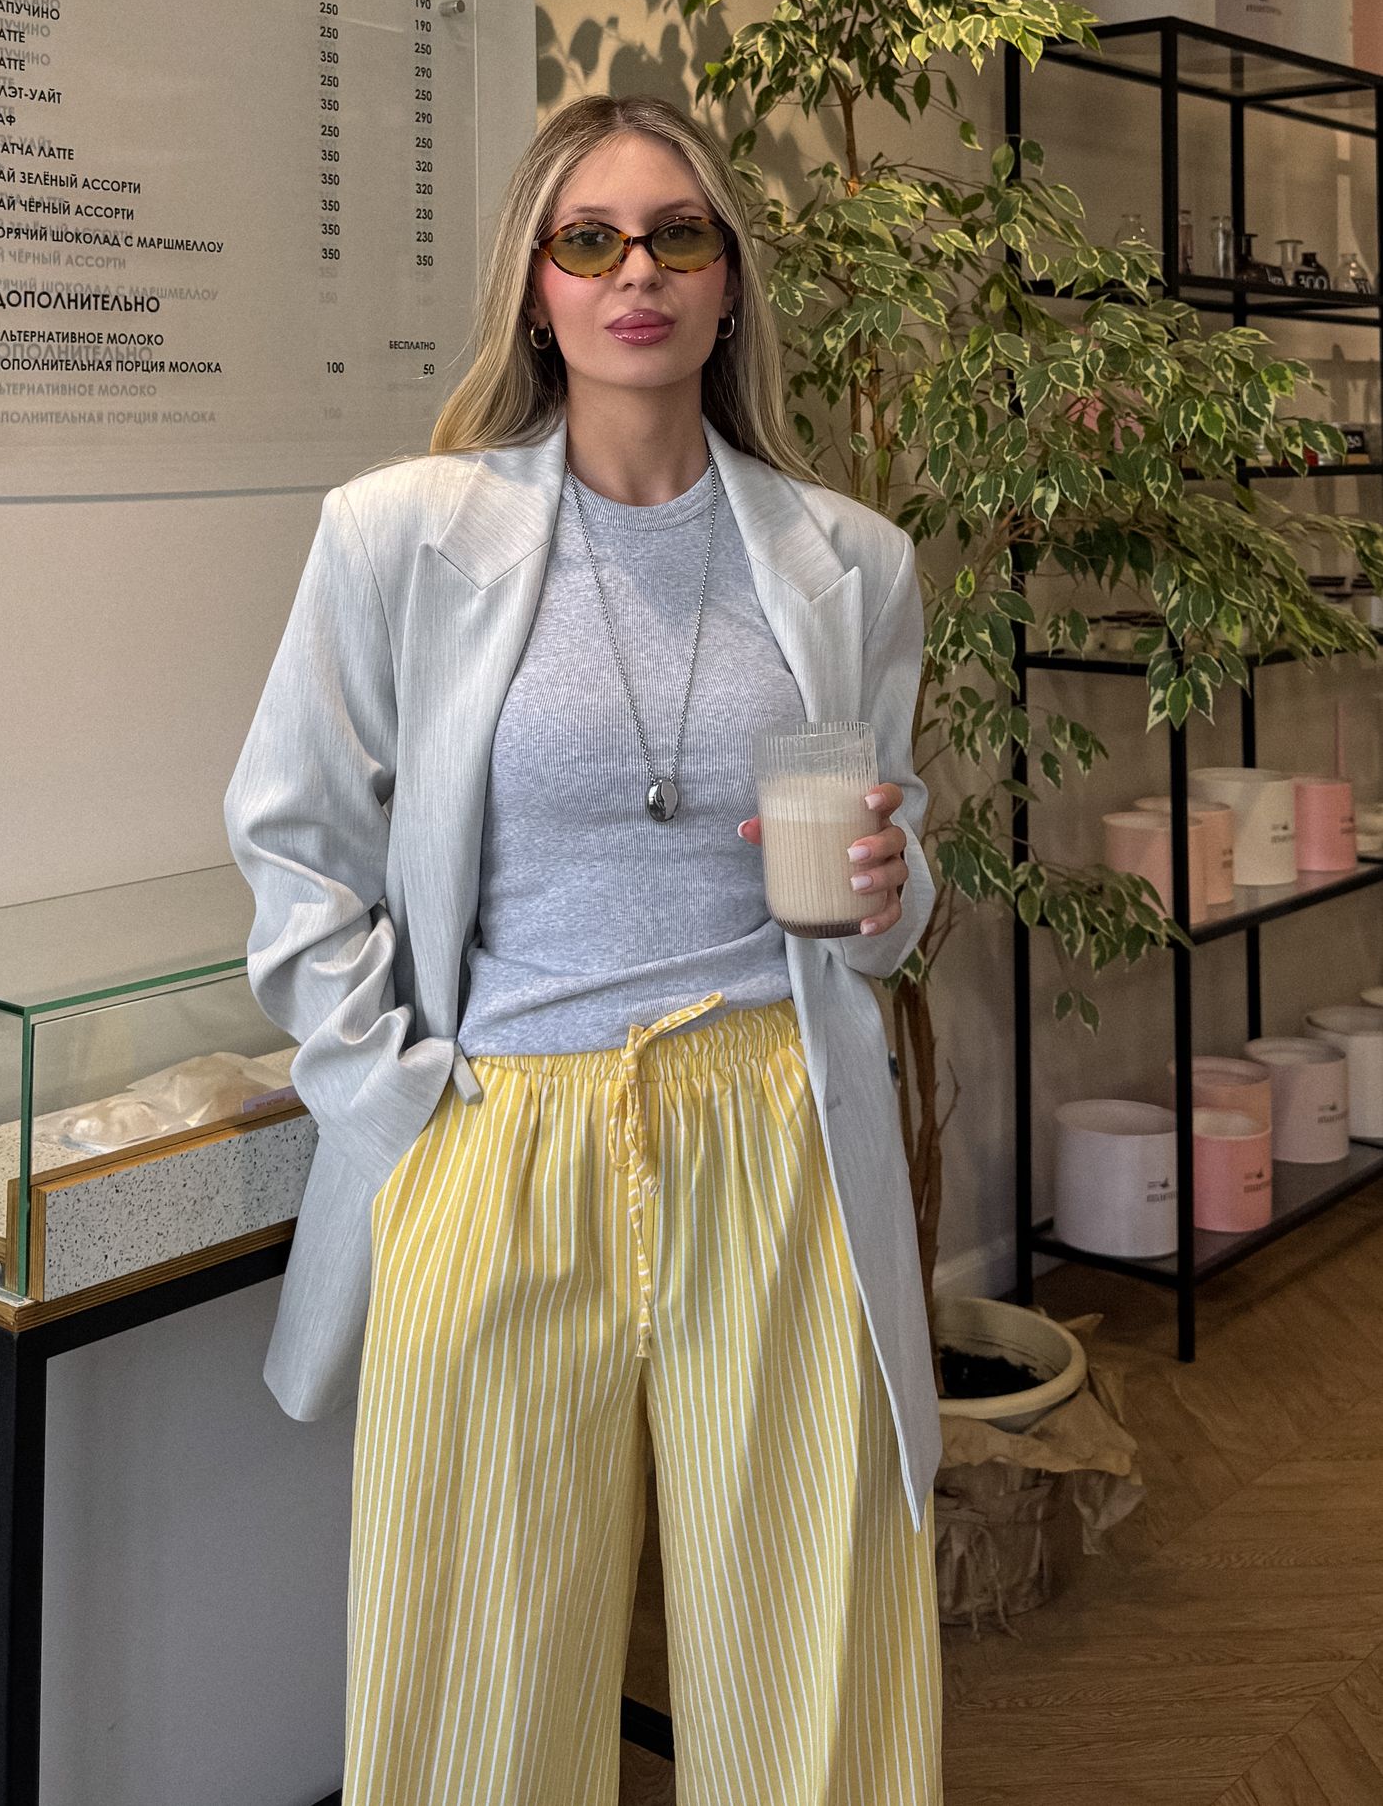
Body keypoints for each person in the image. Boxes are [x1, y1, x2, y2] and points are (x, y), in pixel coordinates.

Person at [224, 92, 942, 1806]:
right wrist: (399, 1103)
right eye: (592, 239)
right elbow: (292, 838)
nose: (639, 273)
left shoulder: (849, 559)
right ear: (536, 288)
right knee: (476, 1681)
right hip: (502, 1133)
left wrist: (892, 886)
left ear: (729, 280)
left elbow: (890, 888)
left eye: (679, 235)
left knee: (810, 1667)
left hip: (775, 1133)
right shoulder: (400, 533)